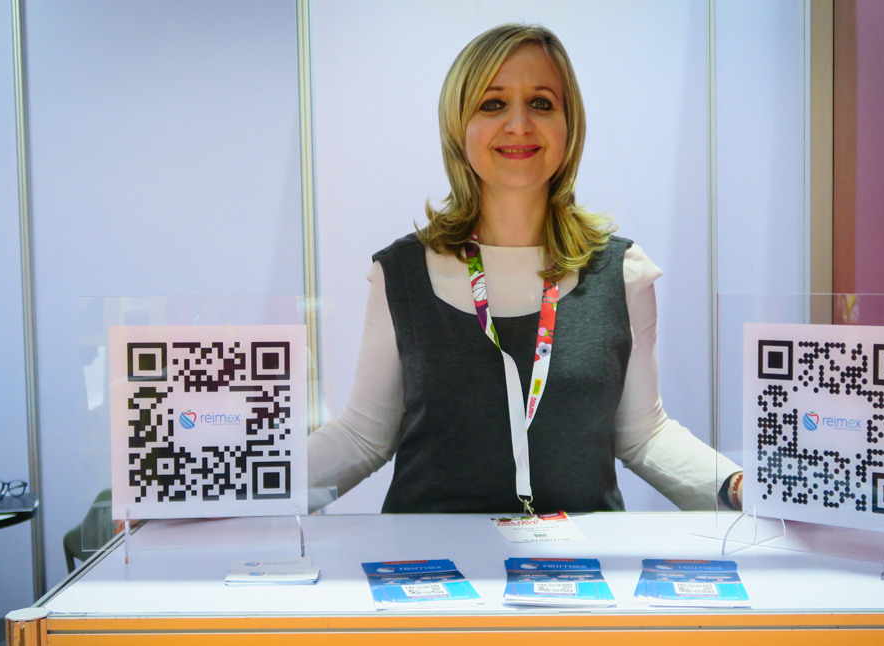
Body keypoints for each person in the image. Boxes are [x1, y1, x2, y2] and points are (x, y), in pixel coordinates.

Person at [308, 23, 742, 514]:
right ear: (458, 125)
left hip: (583, 558)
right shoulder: (402, 273)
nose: (519, 124)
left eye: (541, 103)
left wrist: (737, 485)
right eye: (493, 104)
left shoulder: (622, 272)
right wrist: (253, 481)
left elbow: (644, 435)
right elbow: (363, 436)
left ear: (568, 125)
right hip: (428, 558)